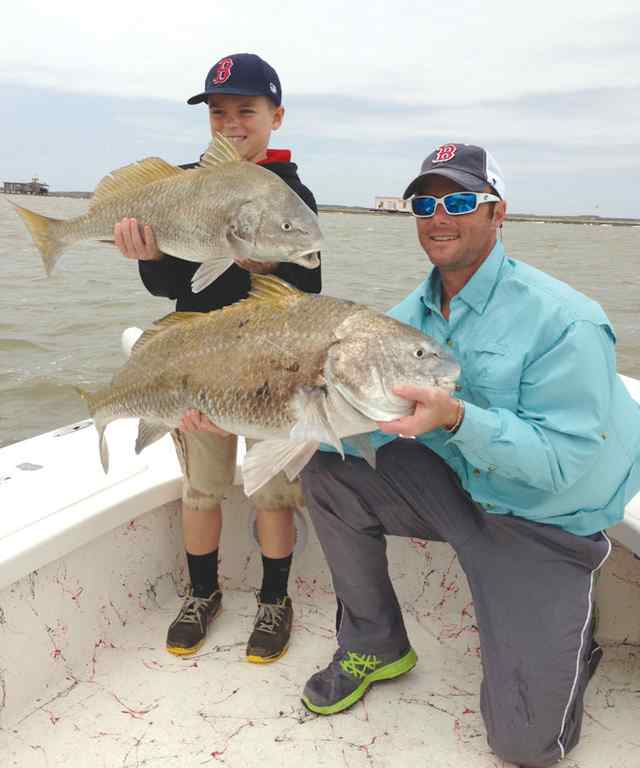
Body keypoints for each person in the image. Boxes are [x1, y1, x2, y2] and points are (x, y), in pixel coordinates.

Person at [299, 143, 640, 767]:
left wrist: (456, 417)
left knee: (526, 746)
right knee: (328, 470)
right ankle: (376, 641)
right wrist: (240, 413)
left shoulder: (565, 321)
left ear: (497, 211)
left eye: (459, 200)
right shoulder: (408, 316)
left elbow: (563, 463)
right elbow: (349, 413)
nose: (438, 216)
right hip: (460, 491)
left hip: (543, 516)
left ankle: (574, 632)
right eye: (423, 203)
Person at [114, 53, 321, 663]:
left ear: (275, 117)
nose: (231, 123)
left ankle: (274, 600)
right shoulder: (180, 185)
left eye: (246, 111)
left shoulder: (293, 194)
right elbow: (171, 289)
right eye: (219, 112)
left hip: (268, 375)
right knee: (200, 488)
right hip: (198, 370)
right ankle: (202, 594)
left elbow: (307, 295)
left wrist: (269, 264)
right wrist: (147, 255)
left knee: (273, 493)